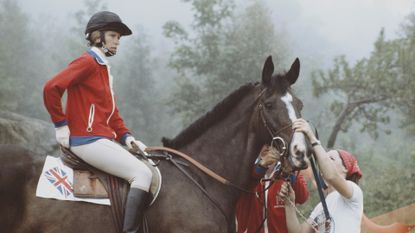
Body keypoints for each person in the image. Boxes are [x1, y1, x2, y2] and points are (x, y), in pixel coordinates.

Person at [43, 11, 151, 233]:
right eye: (113, 35)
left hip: (101, 139)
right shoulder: (87, 62)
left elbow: (111, 114)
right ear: (97, 37)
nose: (117, 41)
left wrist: (127, 137)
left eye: (119, 38)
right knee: (142, 174)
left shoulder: (102, 68)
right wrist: (60, 124)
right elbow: (51, 88)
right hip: (87, 140)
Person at [279, 118, 363, 233]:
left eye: (331, 159)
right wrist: (289, 204)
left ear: (346, 169)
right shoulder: (321, 207)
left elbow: (331, 176)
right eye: (325, 159)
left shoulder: (354, 191)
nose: (325, 162)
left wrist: (312, 138)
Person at [236, 145, 309, 233]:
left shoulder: (287, 169)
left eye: (273, 143)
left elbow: (302, 197)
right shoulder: (245, 168)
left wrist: (290, 172)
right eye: (264, 143)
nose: (268, 146)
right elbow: (240, 189)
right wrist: (261, 167)